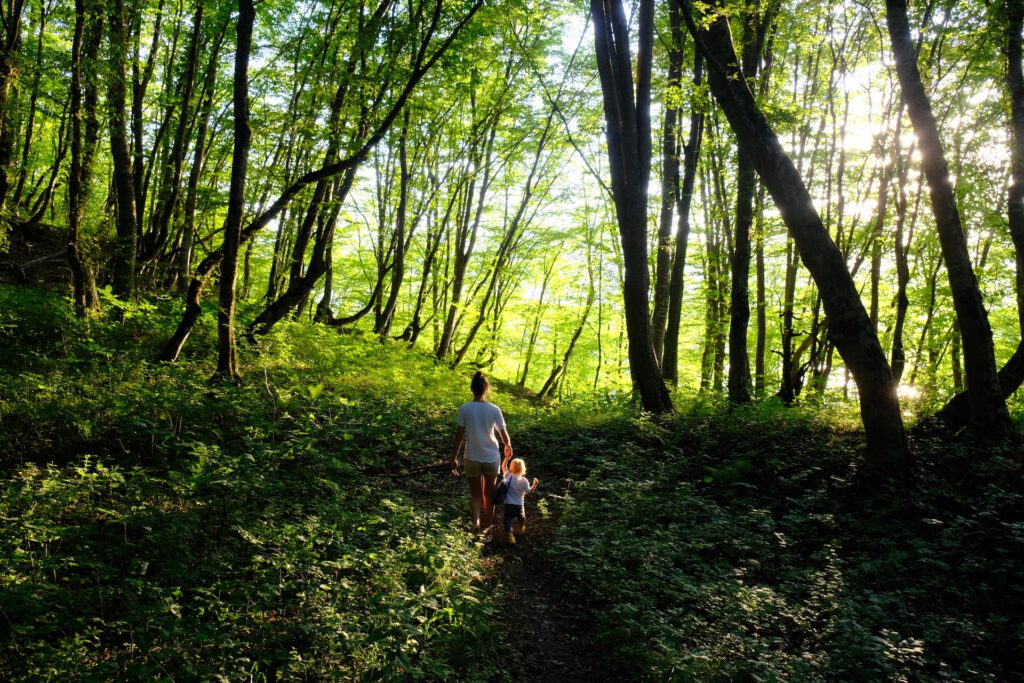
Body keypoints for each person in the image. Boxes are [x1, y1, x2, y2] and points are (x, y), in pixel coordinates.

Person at [450, 371, 512, 533]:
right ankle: (485, 528)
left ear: (472, 389)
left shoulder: (465, 408)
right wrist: (508, 447)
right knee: (489, 493)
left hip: (472, 457)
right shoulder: (494, 409)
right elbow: (504, 435)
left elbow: (458, 437)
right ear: (486, 389)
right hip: (491, 457)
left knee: (476, 493)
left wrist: (453, 458)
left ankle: (475, 523)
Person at [499, 451, 538, 545]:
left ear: (511, 467)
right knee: (521, 517)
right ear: (523, 469)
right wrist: (534, 484)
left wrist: (507, 458)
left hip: (508, 504)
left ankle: (510, 535)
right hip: (519, 505)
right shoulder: (524, 480)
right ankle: (521, 527)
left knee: (507, 520)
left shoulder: (508, 476)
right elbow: (529, 491)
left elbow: (503, 467)